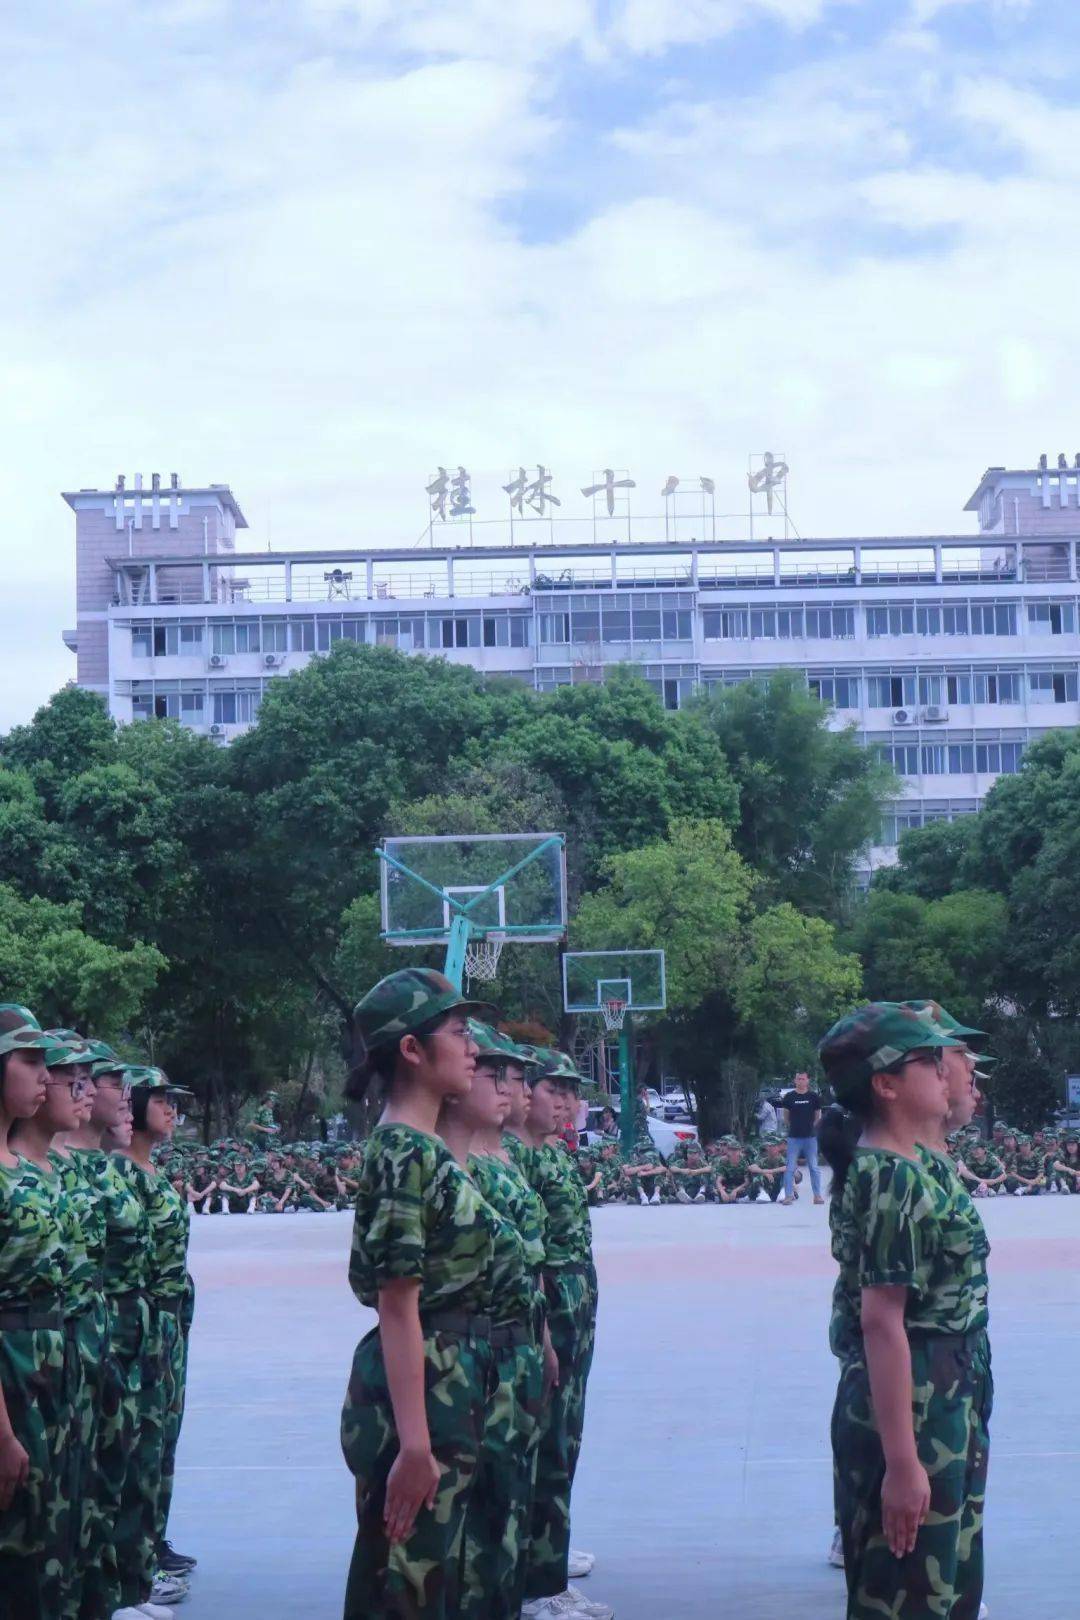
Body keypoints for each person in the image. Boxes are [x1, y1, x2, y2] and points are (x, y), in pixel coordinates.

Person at [818, 1003, 992, 1620]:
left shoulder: (919, 1163)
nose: (944, 1070)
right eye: (925, 1060)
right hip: (914, 1394)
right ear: (885, 1084)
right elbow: (881, 1323)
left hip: (949, 1385)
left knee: (947, 1576)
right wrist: (900, 1463)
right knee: (905, 1588)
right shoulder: (889, 1176)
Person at [338, 967, 502, 1620]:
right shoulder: (403, 1151)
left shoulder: (423, 1148)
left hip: (445, 1382)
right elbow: (396, 1301)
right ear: (412, 1049)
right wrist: (414, 1445)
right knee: (405, 1587)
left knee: (436, 1583)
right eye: (459, 1033)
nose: (474, 1048)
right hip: (421, 1391)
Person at [442, 1022, 545, 1620]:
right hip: (466, 1358)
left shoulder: (494, 1162)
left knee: (502, 1513)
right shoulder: (434, 1163)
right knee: (465, 1536)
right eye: (497, 1072)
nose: (512, 1088)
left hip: (511, 1345)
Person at [519, 1050, 609, 1620]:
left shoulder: (550, 1152)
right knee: (545, 1439)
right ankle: (536, 1578)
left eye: (573, 1092)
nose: (567, 1102)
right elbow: (532, 1257)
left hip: (576, 1302)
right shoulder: (516, 1157)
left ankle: (548, 1548)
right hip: (550, 1305)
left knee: (565, 1436)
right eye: (556, 1089)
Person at [0, 1007, 69, 1620]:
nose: (45, 1076)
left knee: (41, 1538)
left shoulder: (20, 1170)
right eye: (29, 1060)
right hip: (9, 1377)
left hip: (41, 1371)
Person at [123, 1067, 199, 1586]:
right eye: (162, 1100)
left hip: (171, 1320)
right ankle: (135, 1553)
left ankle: (152, 1537)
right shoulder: (123, 1174)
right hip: (146, 1321)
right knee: (143, 1435)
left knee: (164, 1434)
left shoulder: (151, 1170)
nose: (172, 1110)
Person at [776, 1071, 824, 1205]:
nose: (800, 1081)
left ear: (807, 1081)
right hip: (794, 1138)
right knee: (790, 1167)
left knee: (814, 1167)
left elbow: (818, 1115)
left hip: (810, 1138)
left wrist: (811, 1127)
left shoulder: (813, 1096)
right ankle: (788, 1196)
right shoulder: (789, 1097)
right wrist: (794, 1126)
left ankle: (817, 1196)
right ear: (795, 1080)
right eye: (798, 1079)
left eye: (803, 1079)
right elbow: (786, 1117)